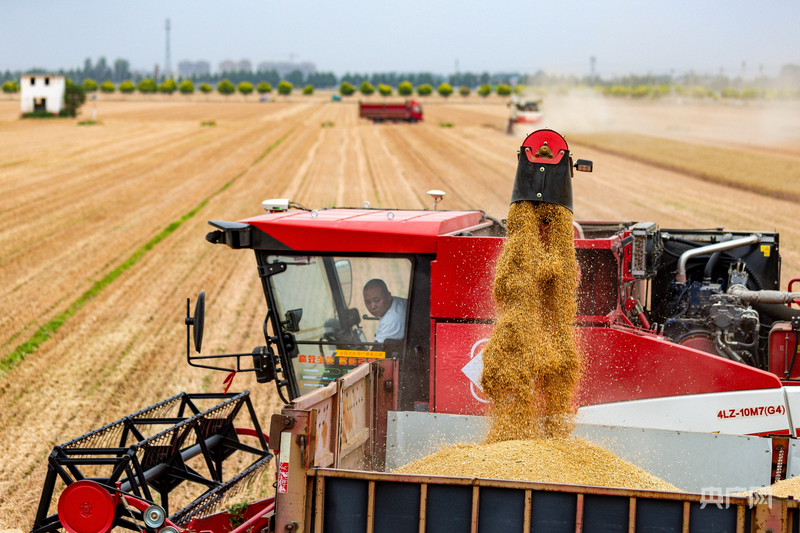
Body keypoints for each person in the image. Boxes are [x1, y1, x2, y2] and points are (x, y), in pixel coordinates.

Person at [362, 279, 408, 343]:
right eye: (368, 302)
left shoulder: (391, 321)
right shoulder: (396, 303)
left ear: (388, 296)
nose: (372, 306)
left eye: (377, 300)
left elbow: (377, 348)